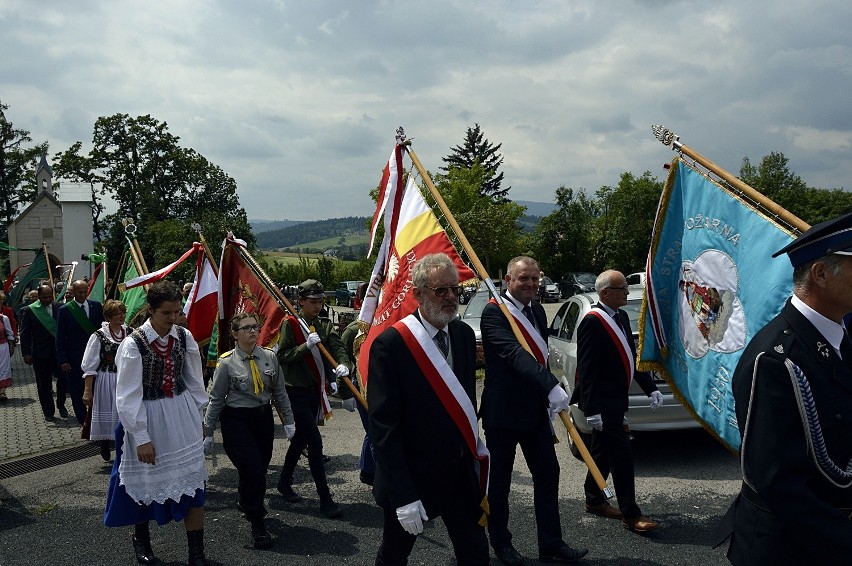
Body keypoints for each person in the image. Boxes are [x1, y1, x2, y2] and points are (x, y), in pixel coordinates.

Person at [721, 213, 852, 563]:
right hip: (791, 548)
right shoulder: (776, 360)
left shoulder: (840, 339)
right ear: (821, 274)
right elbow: (778, 481)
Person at [369, 253, 490, 565]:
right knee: (394, 555)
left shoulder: (462, 335)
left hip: (458, 474)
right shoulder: (392, 344)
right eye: (441, 291)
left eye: (455, 289)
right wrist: (403, 495)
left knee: (475, 552)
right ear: (418, 294)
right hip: (413, 477)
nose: (451, 297)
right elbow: (384, 429)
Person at [480, 256, 588, 565]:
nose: (530, 284)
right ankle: (501, 544)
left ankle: (551, 544)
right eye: (523, 278)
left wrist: (547, 391)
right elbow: (514, 354)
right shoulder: (494, 313)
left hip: (535, 412)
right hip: (503, 414)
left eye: (534, 279)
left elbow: (539, 355)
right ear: (508, 281)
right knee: (499, 484)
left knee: (548, 474)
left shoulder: (537, 310)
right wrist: (551, 384)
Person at [103, 281, 209, 566]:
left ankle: (196, 553)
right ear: (151, 310)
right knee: (145, 481)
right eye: (167, 313)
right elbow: (126, 395)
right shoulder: (132, 344)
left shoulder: (184, 338)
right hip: (148, 416)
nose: (174, 318)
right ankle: (141, 540)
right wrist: (141, 437)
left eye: (177, 312)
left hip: (181, 413)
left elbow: (195, 382)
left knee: (193, 482)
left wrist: (199, 417)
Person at [573, 270, 662, 533]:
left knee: (600, 453)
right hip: (603, 404)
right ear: (605, 293)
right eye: (621, 288)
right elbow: (587, 369)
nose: (626, 291)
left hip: (617, 399)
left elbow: (629, 357)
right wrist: (592, 409)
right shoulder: (592, 321)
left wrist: (650, 388)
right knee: (622, 456)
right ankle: (631, 514)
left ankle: (594, 499)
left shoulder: (621, 316)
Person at [203, 312, 296, 549]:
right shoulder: (226, 362)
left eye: (255, 327)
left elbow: (280, 392)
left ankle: (246, 500)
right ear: (235, 334)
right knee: (253, 468)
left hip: (262, 419)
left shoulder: (269, 357)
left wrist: (289, 421)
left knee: (259, 468)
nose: (252, 331)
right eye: (246, 328)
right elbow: (216, 398)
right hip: (236, 421)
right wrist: (208, 431)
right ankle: (258, 522)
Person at [275, 278, 352, 518]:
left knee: (300, 440)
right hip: (294, 392)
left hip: (313, 392)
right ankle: (325, 498)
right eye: (312, 302)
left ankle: (284, 482)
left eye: (320, 301)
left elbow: (338, 347)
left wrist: (343, 365)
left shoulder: (324, 325)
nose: (317, 306)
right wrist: (305, 347)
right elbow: (282, 356)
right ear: (300, 302)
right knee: (315, 443)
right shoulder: (290, 324)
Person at [80, 299, 129, 462]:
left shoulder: (129, 332)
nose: (121, 316)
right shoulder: (98, 336)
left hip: (125, 379)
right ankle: (106, 442)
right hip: (106, 380)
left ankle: (124, 447)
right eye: (117, 314)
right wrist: (88, 391)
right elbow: (89, 366)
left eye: (123, 313)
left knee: (125, 413)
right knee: (110, 411)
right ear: (109, 317)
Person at [56, 279, 104, 424]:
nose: (83, 295)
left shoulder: (96, 306)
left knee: (95, 387)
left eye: (85, 292)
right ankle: (82, 419)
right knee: (77, 389)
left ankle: (95, 418)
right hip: (74, 356)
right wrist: (62, 359)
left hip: (95, 355)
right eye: (79, 292)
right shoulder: (65, 310)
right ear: (73, 292)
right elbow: (60, 336)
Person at [19, 284, 67, 421]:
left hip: (59, 352)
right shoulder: (29, 310)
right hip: (40, 353)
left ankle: (61, 404)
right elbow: (25, 334)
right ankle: (48, 411)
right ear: (38, 297)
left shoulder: (60, 308)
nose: (47, 299)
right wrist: (26, 353)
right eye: (44, 297)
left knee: (63, 380)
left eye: (49, 297)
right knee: (44, 384)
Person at [340, 285, 372, 485]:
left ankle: (369, 471)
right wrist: (345, 393)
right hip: (360, 387)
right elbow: (342, 360)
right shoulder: (353, 331)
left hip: (380, 386)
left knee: (377, 431)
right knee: (374, 431)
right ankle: (371, 472)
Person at [0, 305, 15, 403]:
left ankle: (2, 392)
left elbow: (9, 333)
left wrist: (11, 346)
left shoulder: (3, 318)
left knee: (3, 368)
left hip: (2, 347)